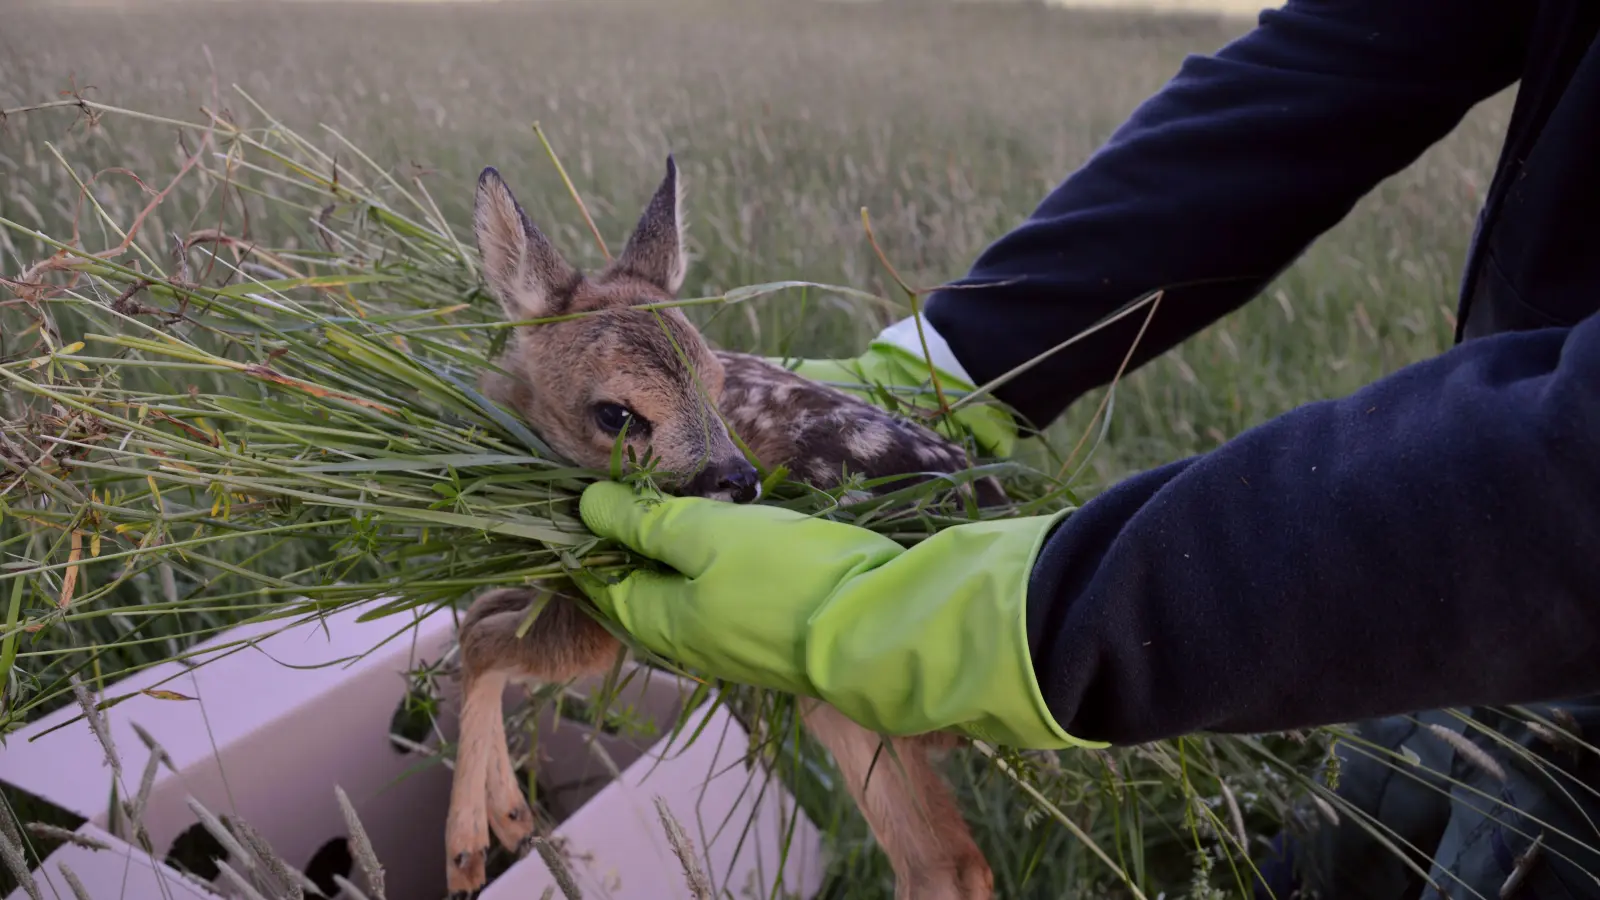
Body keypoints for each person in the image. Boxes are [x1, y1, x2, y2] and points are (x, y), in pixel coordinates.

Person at [575, 2, 1600, 896]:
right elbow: (1352, 63)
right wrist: (953, 365)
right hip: (1466, 614)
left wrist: (1039, 623)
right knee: (1333, 856)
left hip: (1543, 592)